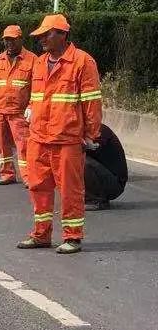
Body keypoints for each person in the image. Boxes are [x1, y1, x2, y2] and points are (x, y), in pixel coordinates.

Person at [18, 13, 102, 255]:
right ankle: (41, 234)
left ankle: (72, 236)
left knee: (70, 190)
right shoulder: (39, 62)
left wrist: (91, 135)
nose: (42, 39)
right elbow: (37, 97)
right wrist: (30, 112)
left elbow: (91, 102)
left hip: (66, 138)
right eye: (41, 35)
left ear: (63, 34)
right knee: (37, 186)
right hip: (39, 138)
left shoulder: (82, 62)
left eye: (47, 34)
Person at [0, 24, 36, 184]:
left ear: (20, 40)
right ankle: (7, 174)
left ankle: (29, 177)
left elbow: (38, 88)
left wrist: (31, 106)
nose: (9, 44)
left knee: (24, 146)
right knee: (2, 146)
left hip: (19, 114)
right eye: (6, 40)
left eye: (13, 40)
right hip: (1, 113)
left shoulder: (32, 60)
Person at [84, 123, 128, 209]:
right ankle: (83, 197)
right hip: (103, 176)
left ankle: (95, 200)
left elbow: (90, 148)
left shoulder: (98, 130)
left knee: (79, 161)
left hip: (114, 184)